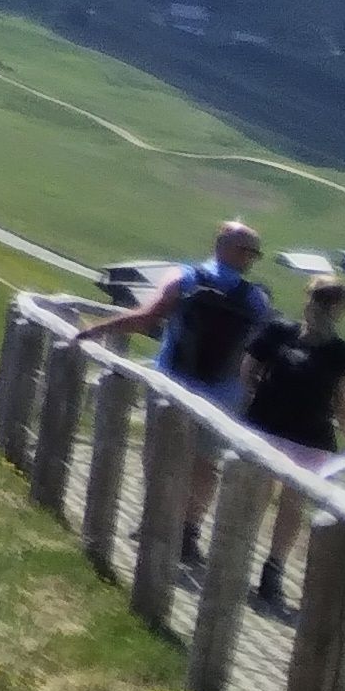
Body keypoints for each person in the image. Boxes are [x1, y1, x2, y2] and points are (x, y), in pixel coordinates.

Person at [78, 222, 273, 555]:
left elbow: (147, 317)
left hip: (172, 382)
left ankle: (154, 517)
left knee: (159, 454)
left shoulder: (183, 278)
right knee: (206, 464)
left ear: (218, 245)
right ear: (239, 253)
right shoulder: (256, 298)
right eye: (251, 252)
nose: (252, 259)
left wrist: (98, 329)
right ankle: (189, 531)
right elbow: (259, 350)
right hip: (224, 393)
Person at [243, 279, 345, 614]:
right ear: (341, 309)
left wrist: (262, 399)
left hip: (275, 428)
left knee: (269, 498)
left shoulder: (282, 334)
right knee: (288, 505)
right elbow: (344, 405)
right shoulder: (339, 354)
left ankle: (253, 561)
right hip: (301, 434)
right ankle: (270, 571)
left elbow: (247, 372)